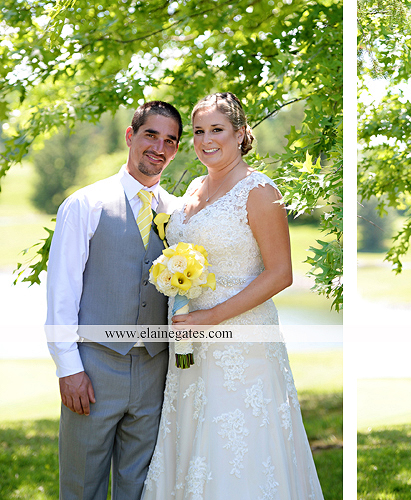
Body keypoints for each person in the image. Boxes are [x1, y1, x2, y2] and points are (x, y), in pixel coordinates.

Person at [141, 92, 324, 499]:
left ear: (240, 133)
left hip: (242, 345)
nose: (206, 140)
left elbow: (280, 274)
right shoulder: (194, 187)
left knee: (237, 446)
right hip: (190, 345)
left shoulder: (259, 191)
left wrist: (210, 318)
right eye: (198, 131)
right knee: (194, 442)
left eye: (217, 130)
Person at [45, 101, 183, 499]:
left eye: (169, 141)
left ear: (176, 150)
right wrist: (68, 368)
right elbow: (62, 292)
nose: (159, 148)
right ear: (130, 136)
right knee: (81, 486)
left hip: (155, 369)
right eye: (151, 135)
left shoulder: (178, 213)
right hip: (94, 368)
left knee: (140, 487)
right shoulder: (84, 204)